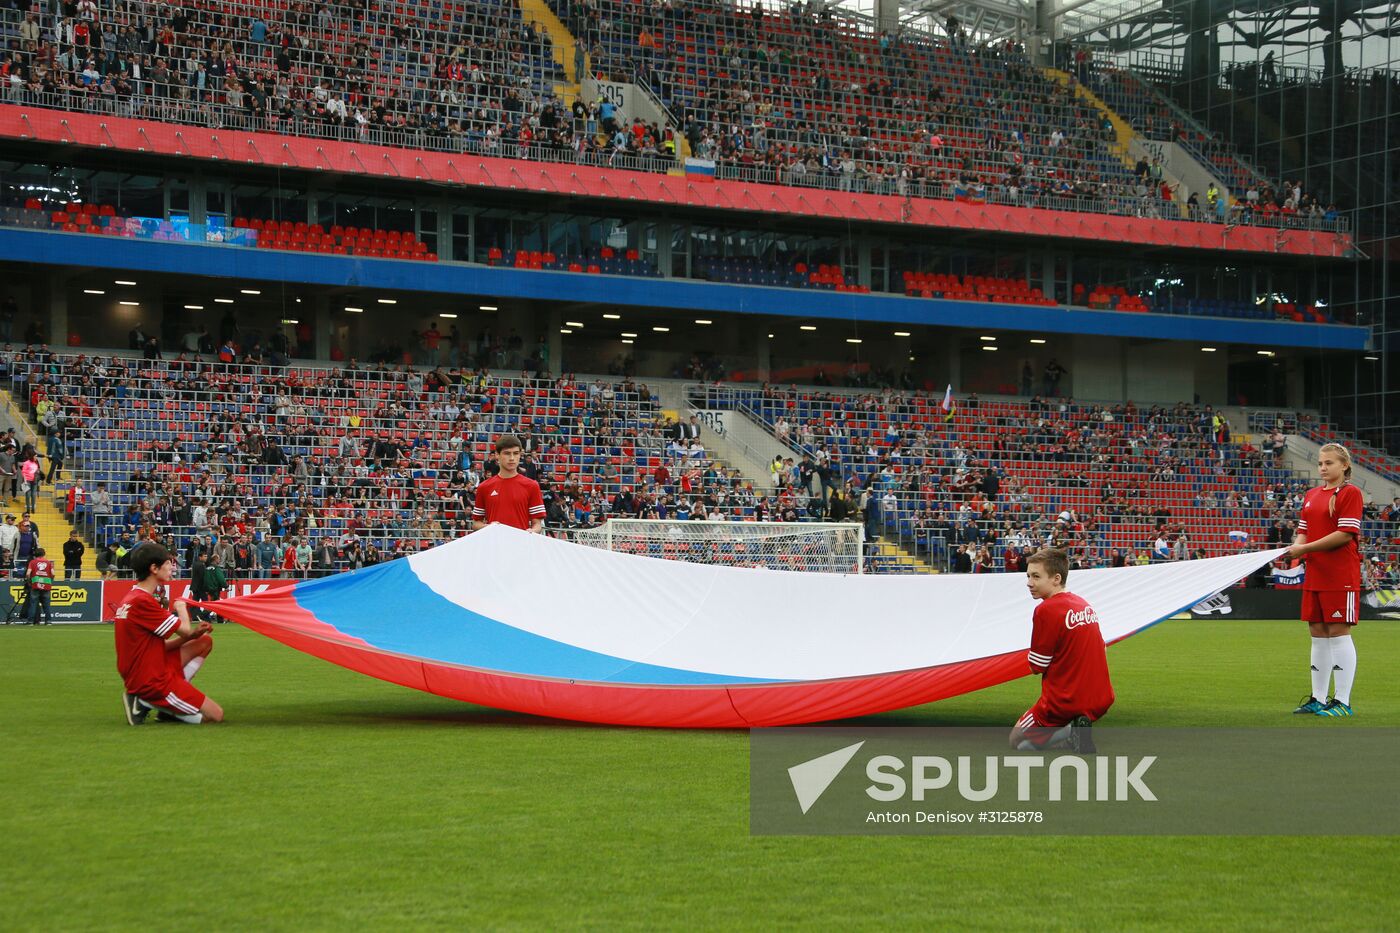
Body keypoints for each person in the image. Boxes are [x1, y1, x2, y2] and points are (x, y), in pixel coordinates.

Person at [1009, 548, 1114, 752]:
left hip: (1062, 702)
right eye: (1028, 576)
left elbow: (1037, 666)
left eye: (1036, 576)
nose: (1029, 582)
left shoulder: (1045, 609)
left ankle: (1069, 730)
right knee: (1027, 745)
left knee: (1016, 742)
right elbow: (1102, 648)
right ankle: (1075, 731)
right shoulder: (1084, 604)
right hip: (1101, 698)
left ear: (1056, 578)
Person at [1287, 443, 1362, 716]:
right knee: (1317, 634)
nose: (1323, 467)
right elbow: (1303, 531)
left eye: (1329, 463)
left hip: (1340, 574)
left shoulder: (1350, 493)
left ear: (1344, 465)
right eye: (1321, 463)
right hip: (1315, 573)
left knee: (1338, 633)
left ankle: (1342, 702)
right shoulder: (1312, 495)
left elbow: (1344, 534)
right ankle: (1318, 698)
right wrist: (1294, 550)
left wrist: (1304, 549)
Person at [115, 541, 224, 725]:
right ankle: (148, 702)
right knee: (215, 715)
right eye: (168, 563)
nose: (172, 568)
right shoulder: (143, 601)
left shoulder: (134, 597)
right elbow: (185, 629)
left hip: (150, 667)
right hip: (150, 680)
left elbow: (159, 645)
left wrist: (193, 636)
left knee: (204, 641)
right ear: (154, 568)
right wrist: (181, 606)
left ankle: (166, 703)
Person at [472, 435, 545, 532]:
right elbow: (476, 523)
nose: (512, 458)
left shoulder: (532, 486)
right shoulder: (484, 487)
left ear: (520, 455)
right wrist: (488, 527)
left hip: (520, 545)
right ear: (497, 455)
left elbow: (537, 524)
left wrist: (532, 531)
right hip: (493, 545)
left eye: (515, 453)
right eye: (507, 453)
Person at [24, 545, 55, 624]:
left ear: (35, 554)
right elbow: (53, 574)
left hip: (35, 584)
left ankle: (30, 621)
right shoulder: (48, 562)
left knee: (33, 604)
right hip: (46, 584)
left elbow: (28, 574)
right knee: (46, 605)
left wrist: (29, 582)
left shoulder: (32, 562)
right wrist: (50, 581)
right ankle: (48, 621)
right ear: (44, 554)